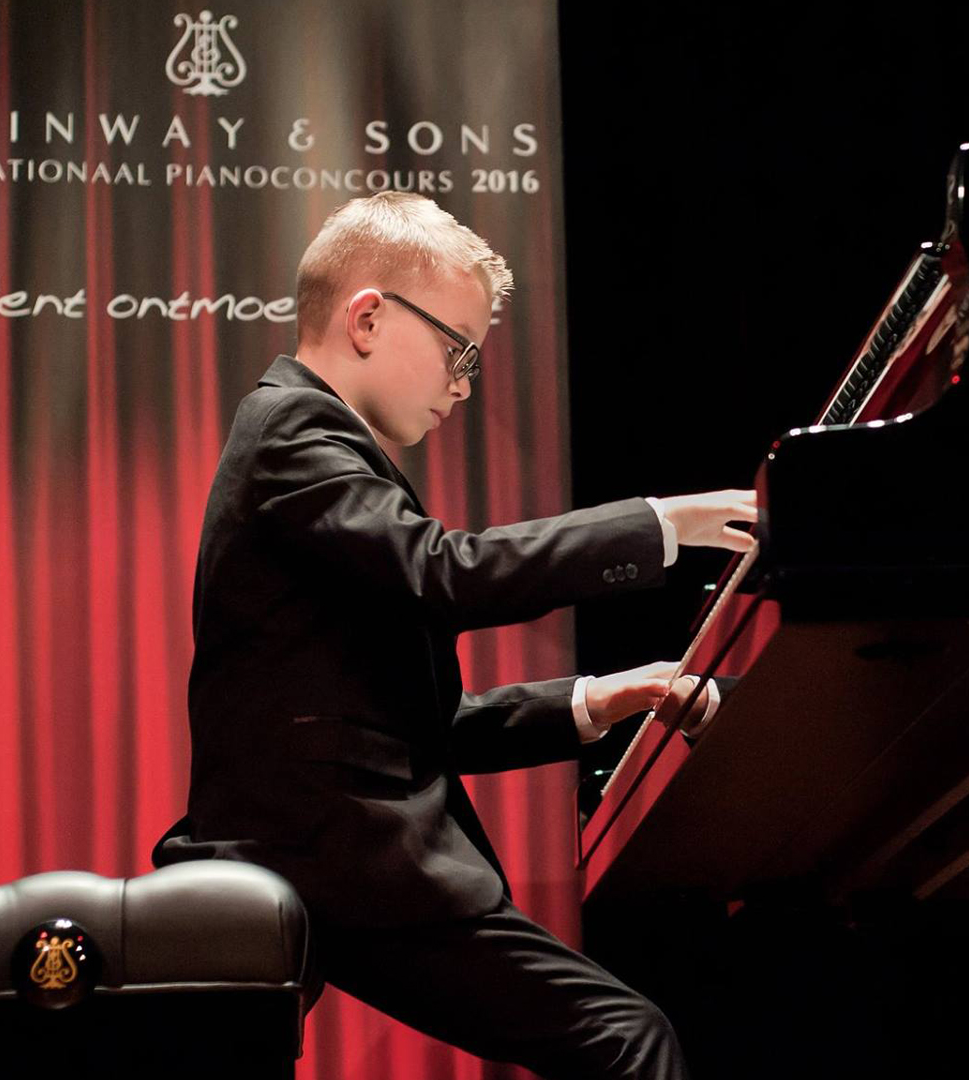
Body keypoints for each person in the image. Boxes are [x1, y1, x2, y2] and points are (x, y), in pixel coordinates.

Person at [152, 191, 755, 1080]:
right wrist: (663, 522)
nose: (465, 384)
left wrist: (596, 698)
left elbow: (411, 728)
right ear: (367, 317)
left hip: (332, 860)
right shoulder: (292, 427)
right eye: (457, 349)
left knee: (625, 1037)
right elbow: (448, 571)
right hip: (335, 860)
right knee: (627, 1039)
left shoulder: (322, 449)